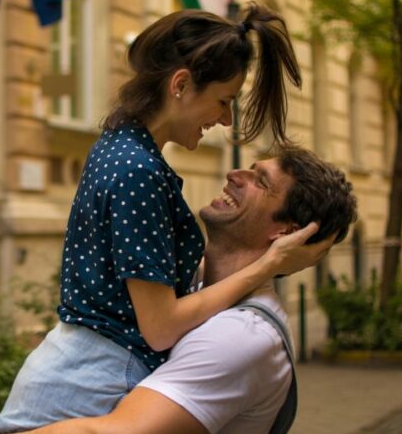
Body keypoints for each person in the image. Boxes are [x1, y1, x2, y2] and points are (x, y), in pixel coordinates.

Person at [0, 4, 335, 433]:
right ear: (181, 85)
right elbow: (160, 328)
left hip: (75, 373)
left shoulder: (120, 146)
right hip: (88, 384)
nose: (225, 119)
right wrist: (268, 265)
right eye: (224, 101)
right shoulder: (139, 172)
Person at [27, 146, 358, 434]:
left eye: (261, 180)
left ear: (287, 232)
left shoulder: (240, 335)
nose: (233, 174)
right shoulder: (198, 290)